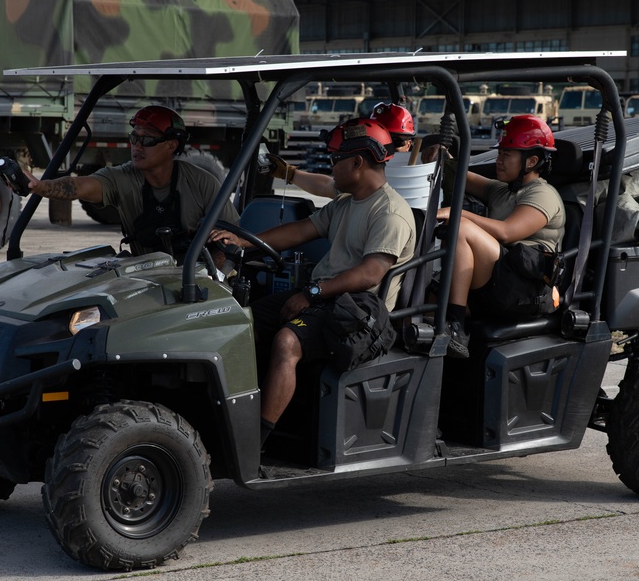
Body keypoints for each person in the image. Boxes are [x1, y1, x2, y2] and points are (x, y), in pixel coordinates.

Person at [211, 117, 416, 447]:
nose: (331, 168)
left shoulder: (389, 212)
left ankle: (254, 443)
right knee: (240, 324)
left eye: (335, 161)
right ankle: (230, 416)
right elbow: (299, 231)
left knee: (287, 342)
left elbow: (370, 274)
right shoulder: (346, 204)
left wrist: (312, 292)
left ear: (357, 162)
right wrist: (243, 241)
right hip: (327, 295)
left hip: (359, 308)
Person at [22, 105, 239, 256]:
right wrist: (40, 186)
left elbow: (233, 240)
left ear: (171, 145)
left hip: (196, 280)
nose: (137, 145)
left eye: (146, 139)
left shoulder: (202, 183)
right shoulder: (122, 177)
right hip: (144, 276)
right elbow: (80, 186)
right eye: (134, 137)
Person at [435, 114, 565, 359]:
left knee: (461, 227)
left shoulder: (543, 194)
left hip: (527, 288)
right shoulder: (502, 191)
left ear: (531, 161)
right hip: (502, 284)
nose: (499, 161)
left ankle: (456, 326)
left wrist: (456, 213)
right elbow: (458, 175)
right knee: (421, 304)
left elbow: (507, 232)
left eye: (507, 155)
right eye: (499, 154)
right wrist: (440, 157)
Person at [261, 102, 417, 199]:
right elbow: (328, 187)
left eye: (394, 141)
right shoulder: (358, 186)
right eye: (379, 139)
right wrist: (288, 173)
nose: (384, 148)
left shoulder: (422, 182)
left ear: (409, 145)